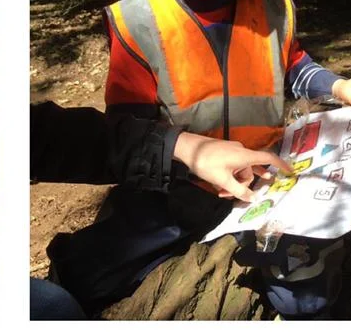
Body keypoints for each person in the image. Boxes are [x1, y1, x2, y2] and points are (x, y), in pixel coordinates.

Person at [44, 0, 351, 318]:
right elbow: (127, 130)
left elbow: (294, 65)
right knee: (91, 273)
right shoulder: (139, 22)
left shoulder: (270, 6)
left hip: (266, 178)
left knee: (304, 298)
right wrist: (186, 170)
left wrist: (336, 87)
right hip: (177, 187)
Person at [30, 102, 288, 318]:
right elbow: (126, 107)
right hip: (165, 195)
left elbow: (51, 135)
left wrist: (182, 147)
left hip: (210, 176)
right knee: (61, 302)